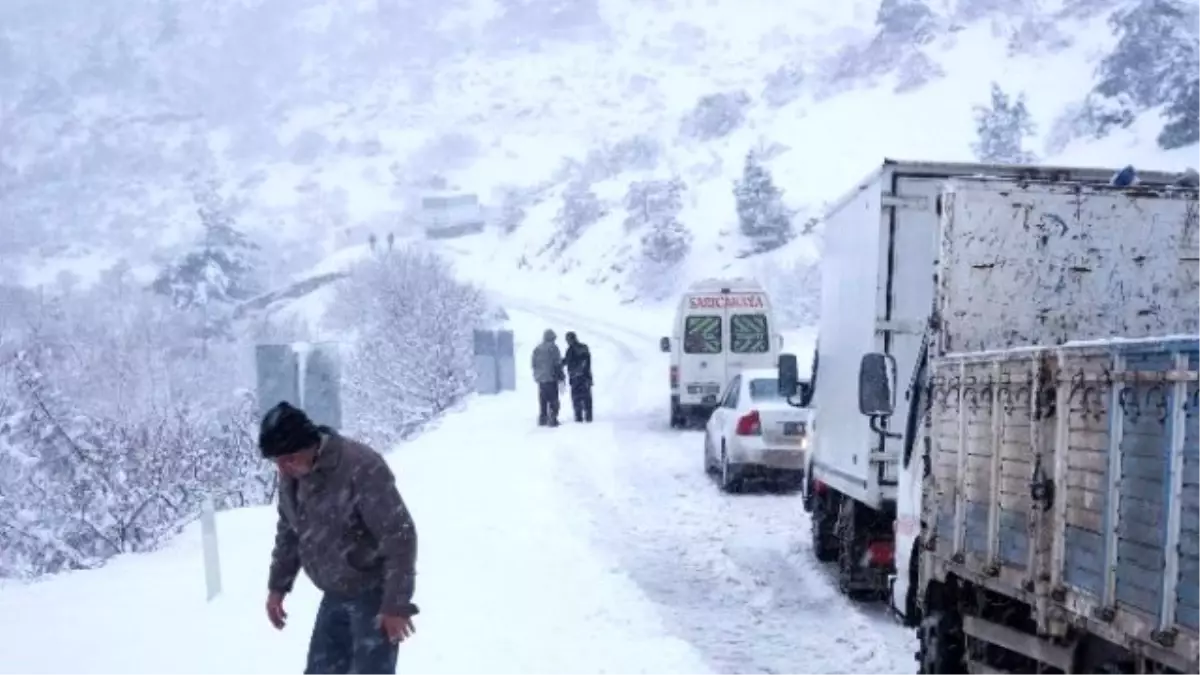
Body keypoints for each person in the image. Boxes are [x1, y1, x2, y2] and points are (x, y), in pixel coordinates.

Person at [259, 401, 419, 675]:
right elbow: (289, 530)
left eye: (288, 459)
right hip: (334, 593)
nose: (282, 469)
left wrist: (395, 604)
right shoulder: (293, 475)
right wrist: (278, 587)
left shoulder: (360, 467)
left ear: (308, 445)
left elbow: (399, 536)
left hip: (373, 594)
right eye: (277, 462)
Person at [531, 328, 564, 426]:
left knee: (543, 400)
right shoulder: (553, 348)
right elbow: (557, 363)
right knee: (553, 400)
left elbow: (533, 363)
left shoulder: (537, 349)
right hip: (551, 378)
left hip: (541, 380)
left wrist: (537, 374)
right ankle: (553, 419)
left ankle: (543, 418)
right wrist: (561, 376)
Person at [562, 331, 593, 422]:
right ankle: (589, 416)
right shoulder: (584, 347)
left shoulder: (570, 350)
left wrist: (558, 363)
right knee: (587, 397)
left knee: (576, 398)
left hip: (575, 378)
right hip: (585, 377)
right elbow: (588, 362)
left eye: (567, 340)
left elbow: (566, 361)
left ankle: (578, 416)